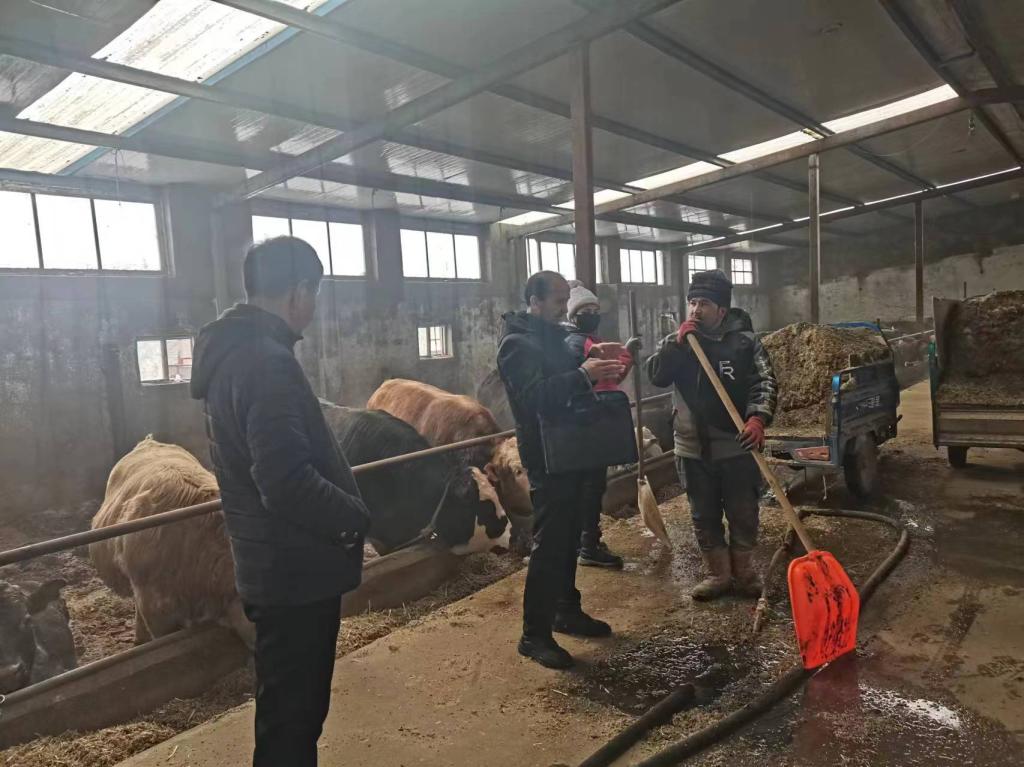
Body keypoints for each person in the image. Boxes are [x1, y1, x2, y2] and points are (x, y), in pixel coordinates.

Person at [190, 236, 371, 767]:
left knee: (285, 715)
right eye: (314, 294)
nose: (313, 307)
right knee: (294, 721)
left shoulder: (234, 354)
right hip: (295, 573)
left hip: (270, 563)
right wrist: (353, 519)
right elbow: (286, 480)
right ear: (298, 292)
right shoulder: (266, 363)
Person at [497, 271, 625, 669]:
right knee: (550, 544)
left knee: (569, 537)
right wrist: (585, 374)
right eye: (556, 299)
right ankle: (533, 635)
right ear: (534, 301)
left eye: (564, 299)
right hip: (546, 456)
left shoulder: (553, 336)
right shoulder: (516, 345)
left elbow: (568, 374)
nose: (563, 307)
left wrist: (594, 359)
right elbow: (536, 397)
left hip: (571, 451)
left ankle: (566, 610)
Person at [644, 269, 777, 601]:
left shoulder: (746, 342)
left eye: (703, 303)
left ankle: (744, 574)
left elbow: (764, 381)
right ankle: (718, 574)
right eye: (692, 302)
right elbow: (657, 376)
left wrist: (757, 418)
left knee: (743, 511)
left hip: (736, 445)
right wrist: (675, 346)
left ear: (721, 309)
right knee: (703, 514)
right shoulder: (678, 342)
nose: (695, 309)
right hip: (691, 447)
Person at [562, 281, 637, 569]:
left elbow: (612, 379)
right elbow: (582, 381)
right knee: (590, 487)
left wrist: (627, 356)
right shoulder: (576, 343)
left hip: (595, 421)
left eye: (595, 310)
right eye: (585, 311)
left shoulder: (590, 340)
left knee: (592, 485)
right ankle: (588, 546)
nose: (592, 315)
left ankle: (585, 542)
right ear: (572, 316)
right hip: (587, 423)